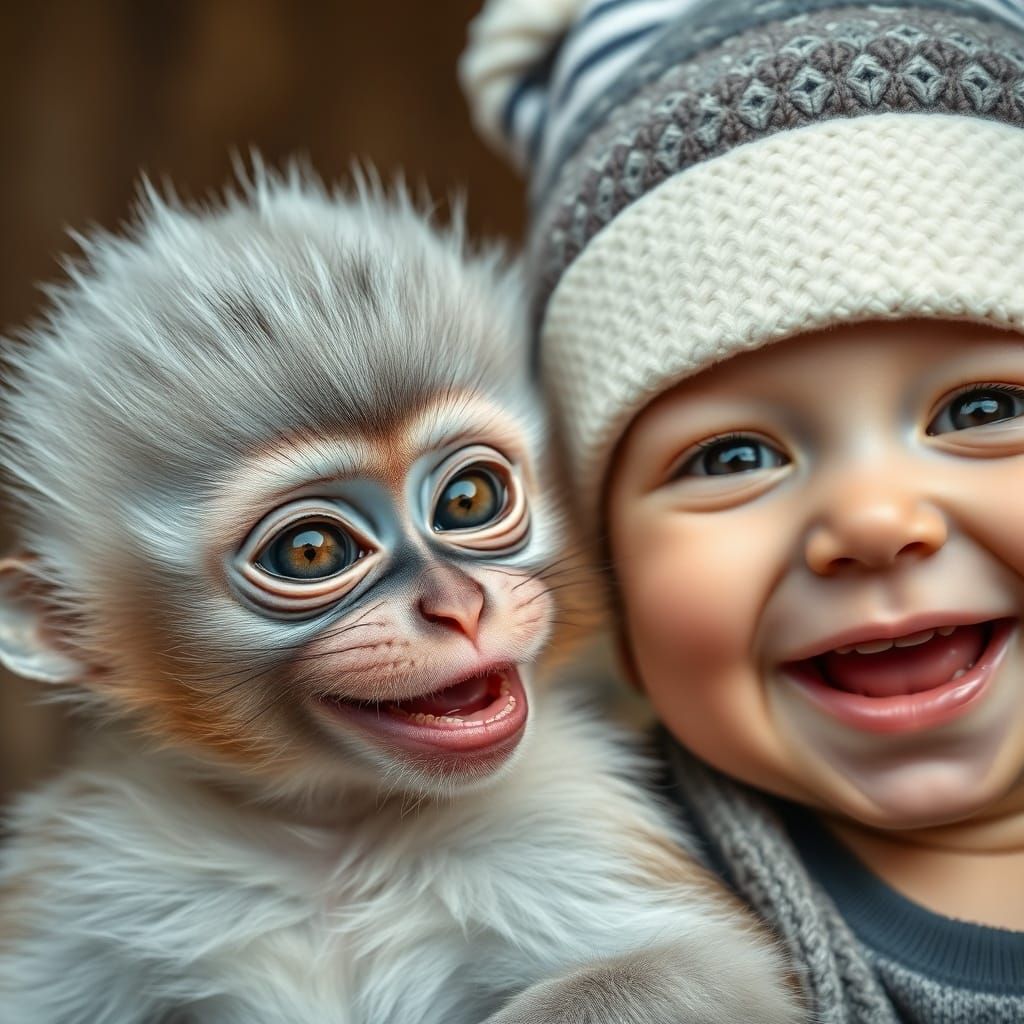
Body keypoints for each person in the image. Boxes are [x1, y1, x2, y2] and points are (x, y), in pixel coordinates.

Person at [462, 0, 1024, 1019]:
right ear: (612, 595)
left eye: (983, 409)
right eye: (730, 456)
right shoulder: (565, 946)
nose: (871, 516)